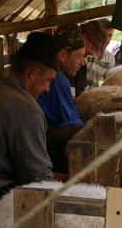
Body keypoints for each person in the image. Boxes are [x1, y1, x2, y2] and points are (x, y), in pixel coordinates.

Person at [0, 32, 58, 220]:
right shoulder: (27, 110)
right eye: (49, 80)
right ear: (33, 73)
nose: (47, 89)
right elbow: (37, 179)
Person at [36, 24, 86, 175]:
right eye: (79, 56)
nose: (82, 63)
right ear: (63, 55)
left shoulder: (60, 77)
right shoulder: (57, 79)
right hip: (45, 140)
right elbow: (71, 122)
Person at [72, 19, 108, 96]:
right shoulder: (69, 67)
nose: (91, 53)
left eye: (95, 50)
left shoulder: (82, 67)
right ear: (84, 38)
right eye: (92, 48)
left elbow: (85, 94)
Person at [84, 19, 118, 90]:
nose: (106, 39)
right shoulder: (86, 52)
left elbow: (109, 83)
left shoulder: (110, 58)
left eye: (110, 35)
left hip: (93, 97)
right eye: (104, 35)